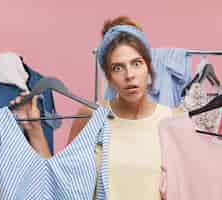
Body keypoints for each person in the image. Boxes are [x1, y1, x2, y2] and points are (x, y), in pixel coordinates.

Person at [11, 16, 176, 199]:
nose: (129, 75)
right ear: (108, 76)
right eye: (118, 68)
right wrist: (34, 130)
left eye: (136, 63)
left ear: (149, 66)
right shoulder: (91, 117)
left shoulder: (173, 121)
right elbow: (61, 187)